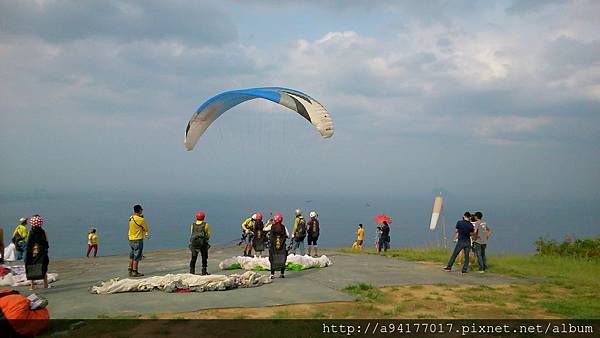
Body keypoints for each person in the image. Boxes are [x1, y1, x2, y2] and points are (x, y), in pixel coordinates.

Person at [25, 215, 49, 290]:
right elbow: (46, 242)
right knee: (43, 267)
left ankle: (32, 286)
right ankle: (45, 284)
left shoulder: (30, 232)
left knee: (32, 267)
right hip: (42, 252)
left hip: (33, 253)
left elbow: (28, 243)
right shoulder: (44, 232)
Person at [264, 213, 289, 278]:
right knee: (282, 259)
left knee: (272, 259)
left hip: (273, 247)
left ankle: (272, 274)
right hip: (282, 246)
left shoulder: (272, 226)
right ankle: (282, 273)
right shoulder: (284, 227)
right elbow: (288, 235)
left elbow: (264, 229)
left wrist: (268, 222)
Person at [128, 204, 148, 277]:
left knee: (132, 255)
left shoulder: (131, 218)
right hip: (138, 239)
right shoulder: (141, 220)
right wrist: (141, 219)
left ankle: (130, 269)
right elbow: (146, 229)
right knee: (137, 256)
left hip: (131, 239)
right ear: (139, 210)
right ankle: (135, 271)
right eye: (141, 209)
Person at [189, 211, 211, 275]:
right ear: (203, 217)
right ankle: (204, 271)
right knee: (204, 257)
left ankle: (192, 272)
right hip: (203, 244)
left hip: (194, 244)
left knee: (193, 258)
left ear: (196, 217)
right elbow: (208, 234)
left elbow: (192, 233)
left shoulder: (193, 225)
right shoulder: (206, 224)